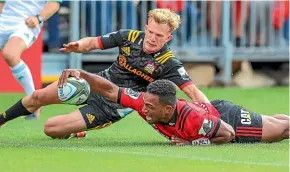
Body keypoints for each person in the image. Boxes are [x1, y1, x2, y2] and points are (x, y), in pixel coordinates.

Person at [0, 8, 210, 138]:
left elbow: (193, 92)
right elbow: (93, 43)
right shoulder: (128, 36)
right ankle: (3, 119)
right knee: (38, 96)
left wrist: (211, 119)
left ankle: (76, 131)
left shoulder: (168, 63)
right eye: (151, 32)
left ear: (168, 38)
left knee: (50, 129)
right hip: (96, 83)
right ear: (146, 27)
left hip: (113, 106)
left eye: (159, 36)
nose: (152, 38)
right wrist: (78, 44)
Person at [57, 69, 288, 145]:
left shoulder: (192, 118)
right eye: (144, 104)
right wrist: (82, 74)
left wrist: (191, 142)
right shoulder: (145, 102)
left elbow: (228, 133)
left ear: (167, 110)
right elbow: (109, 90)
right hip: (212, 113)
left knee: (282, 131)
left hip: (226, 120)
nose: (143, 110)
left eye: (149, 107)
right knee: (277, 122)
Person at [0, 0, 62, 119]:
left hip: (26, 24)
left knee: (10, 54)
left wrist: (38, 18)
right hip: (4, 21)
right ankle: (35, 102)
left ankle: (34, 100)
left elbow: (54, 4)